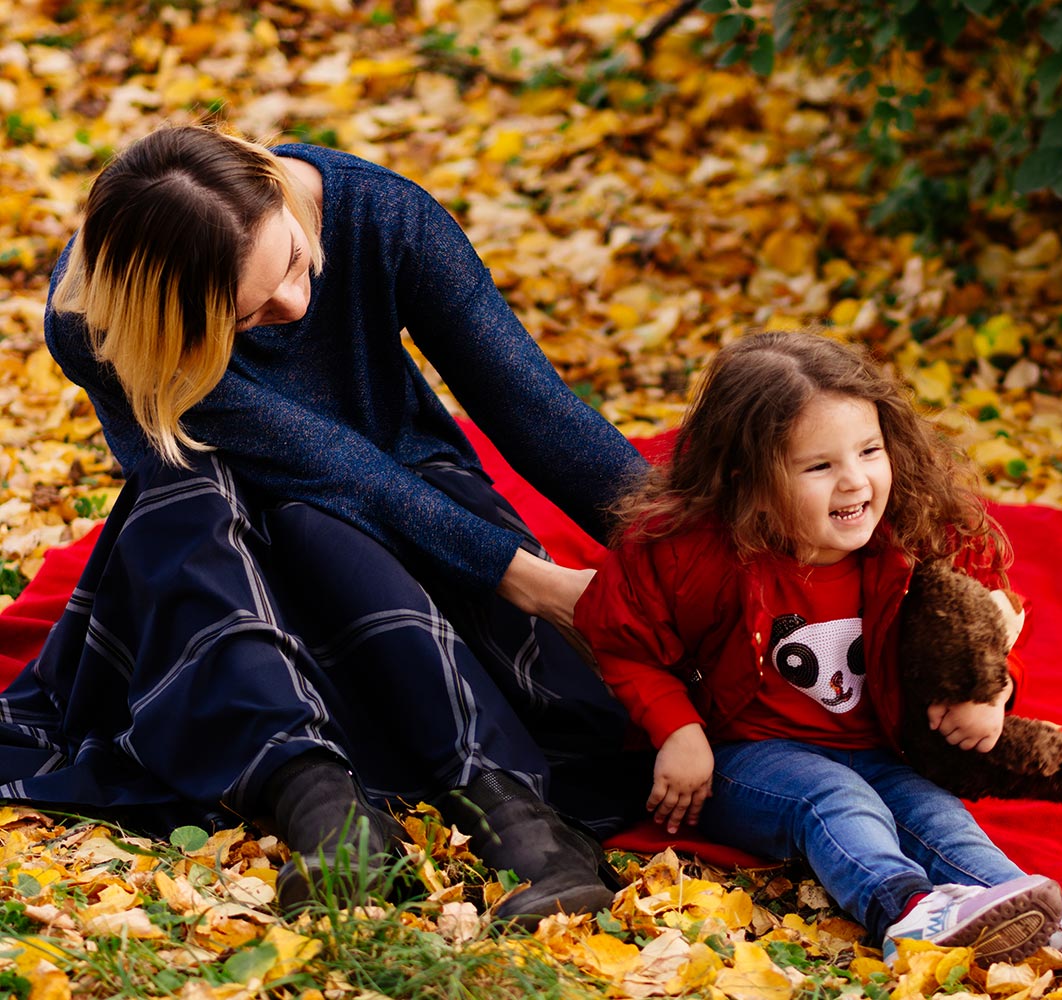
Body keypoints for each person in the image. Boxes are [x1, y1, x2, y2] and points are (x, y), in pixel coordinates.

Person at [0, 122, 651, 923]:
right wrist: (537, 581)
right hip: (218, 545)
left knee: (325, 520)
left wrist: (688, 549)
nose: (296, 304)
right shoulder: (98, 320)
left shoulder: (383, 214)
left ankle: (515, 817)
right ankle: (323, 808)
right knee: (195, 494)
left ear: (280, 196)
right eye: (247, 316)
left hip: (411, 505)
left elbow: (535, 412)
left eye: (297, 267)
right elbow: (319, 461)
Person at [575, 332, 1062, 966]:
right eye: (819, 466)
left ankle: (1039, 912)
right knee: (836, 799)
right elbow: (621, 638)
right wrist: (678, 729)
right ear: (747, 475)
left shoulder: (909, 538)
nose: (855, 480)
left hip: (880, 746)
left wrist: (989, 694)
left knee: (933, 813)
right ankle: (908, 912)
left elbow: (978, 627)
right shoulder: (695, 551)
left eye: (869, 451)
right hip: (744, 758)